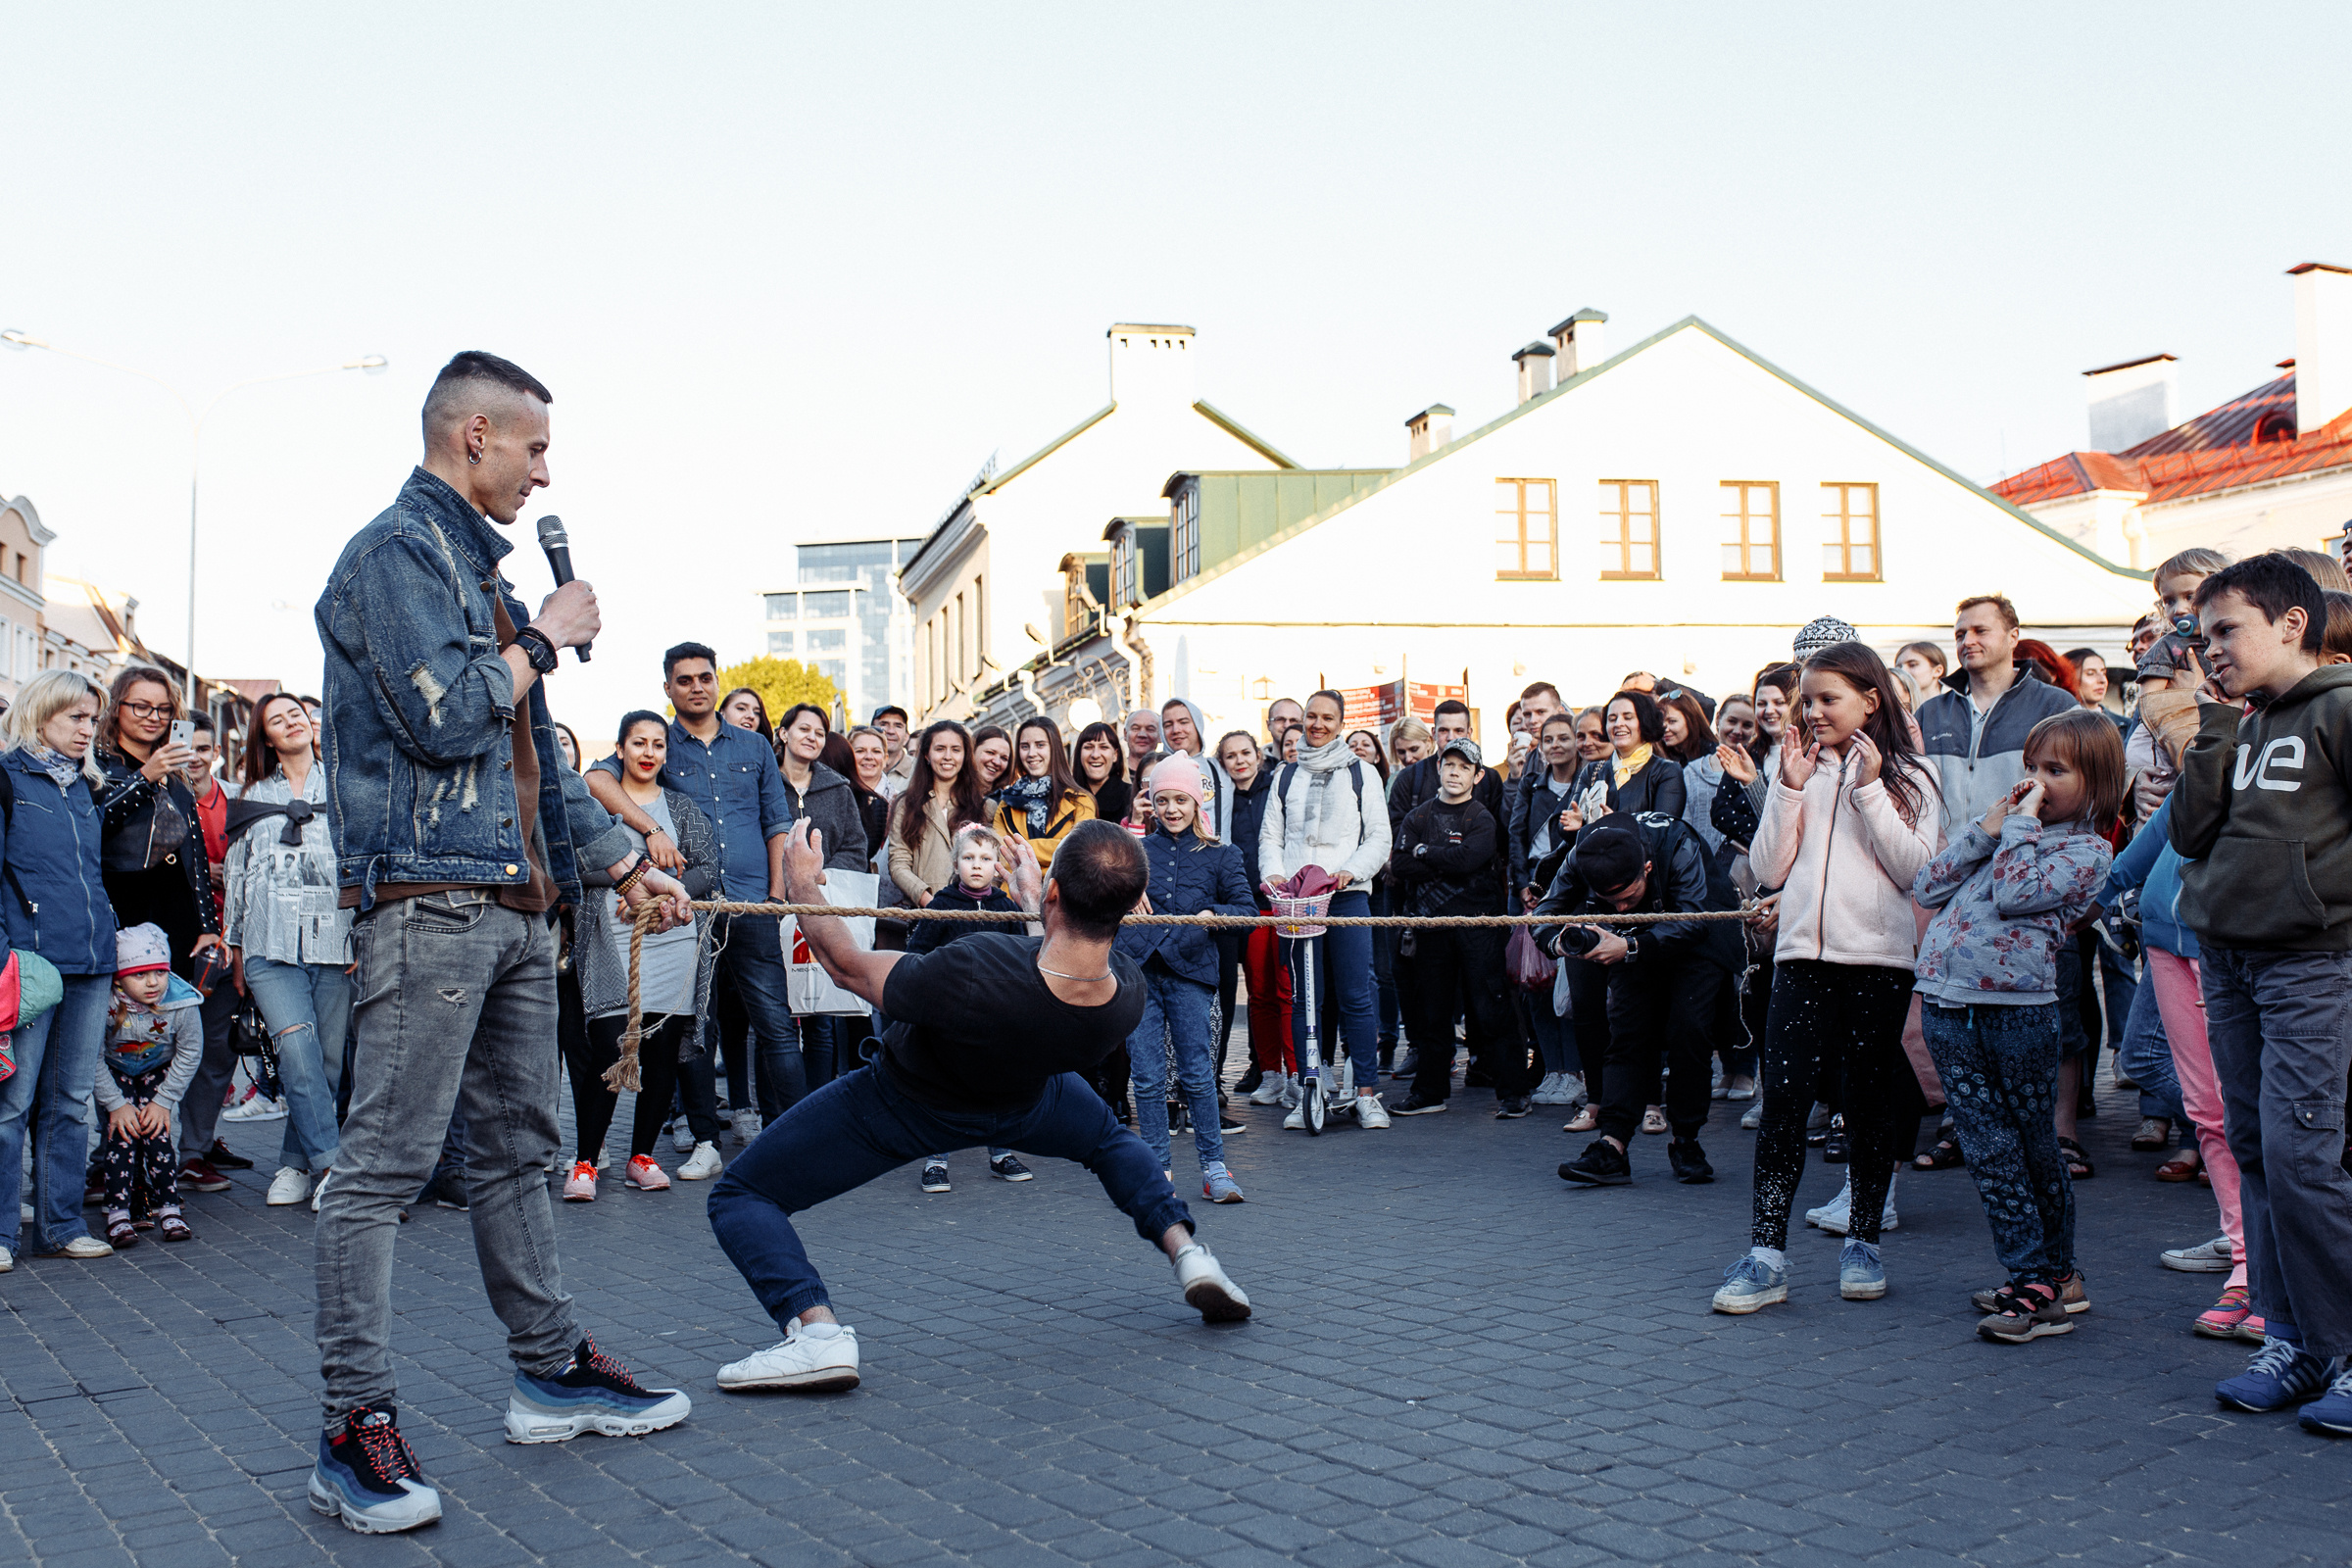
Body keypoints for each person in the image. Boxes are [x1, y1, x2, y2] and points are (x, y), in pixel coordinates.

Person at [308, 351, 695, 1534]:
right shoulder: (391, 555)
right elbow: (439, 720)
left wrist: (626, 861)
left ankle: (549, 1369)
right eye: (532, 448)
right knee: (380, 1165)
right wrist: (543, 636)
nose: (543, 472)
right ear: (473, 434)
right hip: (427, 903)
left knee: (522, 1149)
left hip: (520, 909)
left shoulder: (481, 579)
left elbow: (529, 765)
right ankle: (350, 1427)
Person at [705, 818, 1251, 1393]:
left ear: (1057, 894)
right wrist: (1037, 900)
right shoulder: (1126, 991)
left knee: (741, 1195)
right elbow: (1064, 959)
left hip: (908, 1103)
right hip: (1031, 1102)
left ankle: (816, 1334)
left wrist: (803, 885)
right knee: (1112, 1143)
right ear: (1134, 905)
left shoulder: (977, 967)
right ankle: (1190, 1254)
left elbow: (847, 967)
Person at [2167, 555, 2352, 1434]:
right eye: (2203, 640)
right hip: (2229, 959)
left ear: (2291, 623)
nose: (2211, 652)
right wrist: (2211, 725)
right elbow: (2192, 831)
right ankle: (2295, 1339)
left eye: (2226, 632)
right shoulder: (2241, 721)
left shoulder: (2343, 707)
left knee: (2306, 1157)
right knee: (2258, 1152)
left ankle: (2343, 1345)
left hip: (2312, 964)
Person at [1713, 642, 1940, 1315]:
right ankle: (1765, 1255)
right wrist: (1783, 786)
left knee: (1867, 1101)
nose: (1811, 712)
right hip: (1800, 959)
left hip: (1876, 960)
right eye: (1805, 701)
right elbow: (1768, 869)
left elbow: (1914, 871)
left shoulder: (1913, 774)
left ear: (1872, 700)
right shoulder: (1799, 770)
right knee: (1784, 1099)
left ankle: (1864, 1242)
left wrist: (1869, 789)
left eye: (1826, 699)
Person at [1913, 710, 2123, 1344]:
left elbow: (2015, 893)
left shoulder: (2089, 851)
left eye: (2055, 770)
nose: (2035, 781)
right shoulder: (2007, 836)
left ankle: (2039, 1278)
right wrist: (1986, 829)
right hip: (1949, 1006)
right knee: (1986, 1144)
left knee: (2026, 1147)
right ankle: (2048, 1273)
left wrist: (2019, 828)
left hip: (2017, 1015)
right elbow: (1927, 885)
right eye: (2031, 768)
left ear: (2097, 782)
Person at [587, 643, 805, 1123]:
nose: (696, 687)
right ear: (668, 688)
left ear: (716, 681)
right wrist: (652, 827)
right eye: (684, 680)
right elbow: (594, 780)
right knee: (695, 1025)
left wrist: (776, 893)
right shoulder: (656, 742)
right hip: (688, 905)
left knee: (775, 1025)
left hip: (752, 902)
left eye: (704, 677)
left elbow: (775, 821)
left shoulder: (754, 746)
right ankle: (702, 1134)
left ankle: (790, 1130)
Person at [565, 711, 723, 1199]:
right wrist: (630, 882)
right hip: (612, 943)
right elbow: (572, 865)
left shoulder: (681, 806)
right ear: (619, 749)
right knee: (609, 1048)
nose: (649, 752)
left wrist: (666, 898)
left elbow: (710, 866)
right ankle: (586, 1162)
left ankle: (642, 1155)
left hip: (674, 943)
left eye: (658, 744)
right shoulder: (596, 806)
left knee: (661, 1051)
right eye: (639, 742)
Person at [1540, 804, 1738, 1184]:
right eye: (1610, 901)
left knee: (1689, 1030)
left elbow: (1692, 918)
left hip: (1699, 934)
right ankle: (1612, 1146)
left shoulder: (1677, 843)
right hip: (1629, 940)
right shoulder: (1582, 855)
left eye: (1627, 898)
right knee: (1626, 1032)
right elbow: (1545, 913)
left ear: (1647, 869)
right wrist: (1558, 943)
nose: (1620, 906)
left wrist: (1630, 947)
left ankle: (1687, 1141)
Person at [1, 670, 124, 1267]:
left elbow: (91, 877)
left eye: (91, 719)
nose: (87, 729)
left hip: (91, 962)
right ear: (40, 710)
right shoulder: (5, 776)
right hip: (27, 965)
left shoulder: (84, 786)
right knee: (11, 1104)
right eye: (75, 717)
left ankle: (61, 1226)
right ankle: (0, 1235)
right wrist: (5, 952)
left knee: (72, 1101)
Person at [222, 692, 355, 1211]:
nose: (290, 722)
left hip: (334, 941)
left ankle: (293, 1165)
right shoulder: (252, 795)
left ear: (311, 724)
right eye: (276, 719)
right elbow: (236, 877)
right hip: (267, 945)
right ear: (267, 737)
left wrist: (364, 935)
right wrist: (234, 947)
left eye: (295, 714)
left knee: (325, 1063)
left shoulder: (344, 788)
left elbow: (361, 867)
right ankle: (332, 1166)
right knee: (297, 1051)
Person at [1120, 759, 1255, 1200]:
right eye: (1163, 801)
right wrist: (1124, 888)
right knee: (1146, 1076)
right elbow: (1097, 898)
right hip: (1139, 973)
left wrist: (1212, 915)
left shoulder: (1223, 854)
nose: (1172, 809)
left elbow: (1248, 912)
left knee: (1198, 1075)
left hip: (1191, 974)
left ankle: (1214, 1167)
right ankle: (1158, 1169)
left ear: (1198, 802)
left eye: (1181, 800)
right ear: (1151, 804)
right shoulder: (1133, 852)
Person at [1258, 690, 1394, 1130]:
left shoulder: (1363, 773)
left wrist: (1350, 873)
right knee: (1303, 998)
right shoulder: (1284, 774)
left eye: (1327, 718)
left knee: (1355, 993)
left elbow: (1378, 836)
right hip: (1298, 898)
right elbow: (1270, 838)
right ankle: (1308, 1087)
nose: (1317, 725)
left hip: (1348, 893)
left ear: (1340, 722)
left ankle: (1368, 1092)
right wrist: (1275, 876)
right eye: (1311, 717)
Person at [1388, 739, 1535, 1119]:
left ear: (1478, 775)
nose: (1455, 772)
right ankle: (1429, 1092)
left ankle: (1514, 1093)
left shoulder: (1480, 817)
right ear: (1438, 767)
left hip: (1479, 929)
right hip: (1431, 928)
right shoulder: (1417, 817)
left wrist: (1426, 853)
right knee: (1431, 1013)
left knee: (1493, 1011)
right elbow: (1400, 865)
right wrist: (1443, 859)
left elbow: (1472, 858)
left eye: (1464, 767)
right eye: (1449, 764)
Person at [902, 822, 1035, 1191]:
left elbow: (1025, 957)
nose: (977, 865)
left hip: (996, 1017)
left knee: (997, 1086)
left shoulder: (1007, 908)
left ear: (997, 866)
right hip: (950, 1017)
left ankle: (1001, 1152)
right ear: (956, 862)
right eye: (969, 857)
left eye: (986, 858)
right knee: (945, 1086)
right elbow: (918, 954)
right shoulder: (943, 905)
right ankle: (936, 1158)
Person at [94, 666, 224, 985]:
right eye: (141, 706)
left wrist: (208, 926)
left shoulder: (177, 771)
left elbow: (193, 851)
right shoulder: (97, 764)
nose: (153, 716)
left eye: (163, 709)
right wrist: (145, 778)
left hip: (178, 908)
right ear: (116, 707)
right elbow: (94, 826)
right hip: (125, 902)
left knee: (173, 1020)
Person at [1917, 596, 2083, 836]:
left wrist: (2135, 778)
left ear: (2013, 637)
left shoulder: (2056, 707)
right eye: (1960, 635)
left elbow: (2097, 777)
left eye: (1980, 631)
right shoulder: (1929, 713)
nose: (1968, 641)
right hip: (1946, 865)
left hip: (2023, 860)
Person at [771, 704, 872, 1096]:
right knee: (776, 1019)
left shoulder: (838, 788)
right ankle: (776, 1115)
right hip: (773, 908)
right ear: (783, 734)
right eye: (804, 729)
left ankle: (815, 1103)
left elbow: (855, 846)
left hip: (821, 906)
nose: (813, 737)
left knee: (820, 1016)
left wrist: (817, 874)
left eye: (820, 732)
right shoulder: (764, 782)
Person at [173, 712, 253, 1193]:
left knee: (217, 1052)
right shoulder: (161, 795)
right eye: (187, 749)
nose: (195, 758)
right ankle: (151, 1152)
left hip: (228, 943)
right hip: (177, 942)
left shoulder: (237, 800)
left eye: (203, 749)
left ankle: (195, 1149)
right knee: (161, 1048)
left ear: (215, 754)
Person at [89, 923, 205, 1248]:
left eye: (159, 971)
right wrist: (115, 1104)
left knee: (158, 1134)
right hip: (115, 1071)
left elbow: (191, 1051)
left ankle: (169, 1207)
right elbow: (90, 1055)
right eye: (140, 974)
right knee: (122, 1136)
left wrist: (164, 1100)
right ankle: (118, 1214)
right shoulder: (103, 1004)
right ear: (118, 977)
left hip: (158, 1070)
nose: (153, 982)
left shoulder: (181, 1003)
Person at [1218, 730, 1292, 1102]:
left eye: (1245, 752)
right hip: (1244, 905)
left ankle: (1296, 1072)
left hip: (1280, 901)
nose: (1239, 761)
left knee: (1286, 990)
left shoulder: (1278, 788)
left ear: (1258, 755)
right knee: (1259, 993)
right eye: (1230, 756)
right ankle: (1269, 1071)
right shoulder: (1222, 798)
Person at [993, 716, 1098, 864]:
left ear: (1054, 748)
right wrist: (1055, 848)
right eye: (1024, 746)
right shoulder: (1006, 803)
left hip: (1062, 886)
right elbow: (1001, 855)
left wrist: (1020, 849)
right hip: (1013, 886)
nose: (1031, 753)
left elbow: (1079, 849)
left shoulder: (1080, 800)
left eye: (1040, 745)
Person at [1572, 690, 1687, 820]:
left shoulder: (1667, 771)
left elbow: (1664, 828)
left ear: (1645, 721)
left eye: (1628, 717)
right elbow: (1567, 824)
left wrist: (1620, 823)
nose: (1618, 724)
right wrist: (1573, 824)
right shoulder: (1592, 771)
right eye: (1612, 719)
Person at [1073, 720, 1133, 827]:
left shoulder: (1130, 797)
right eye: (1088, 747)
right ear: (1079, 754)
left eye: (1104, 747)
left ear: (1115, 755)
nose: (1095, 755)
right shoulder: (1065, 796)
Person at [871, 705, 913, 795]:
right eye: (883, 724)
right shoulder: (859, 767)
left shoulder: (919, 770)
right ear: (871, 733)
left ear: (906, 737)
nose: (891, 731)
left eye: (898, 726)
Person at [969, 724, 1013, 796]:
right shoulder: (949, 795)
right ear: (972, 751)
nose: (997, 762)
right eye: (990, 752)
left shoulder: (1007, 804)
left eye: (1004, 758)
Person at [1122, 710, 1161, 781]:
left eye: (1150, 729)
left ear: (1160, 736)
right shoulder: (1112, 774)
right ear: (1125, 734)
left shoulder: (1167, 773)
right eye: (1135, 729)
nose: (1142, 735)